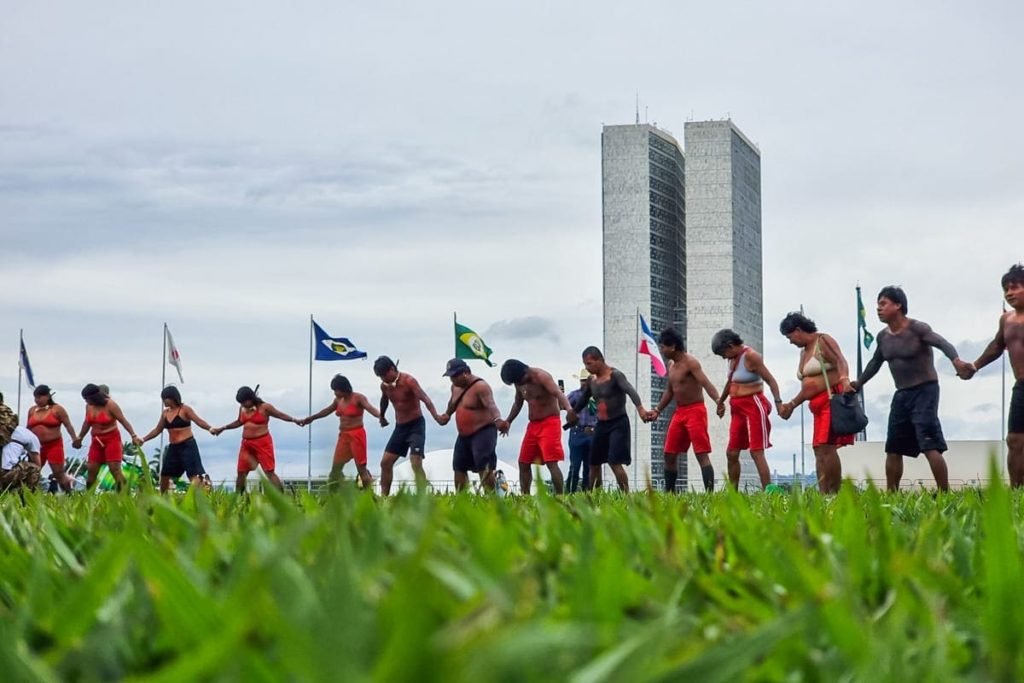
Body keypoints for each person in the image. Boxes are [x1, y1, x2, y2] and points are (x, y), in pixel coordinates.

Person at [853, 286, 972, 492]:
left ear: (898, 305)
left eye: (883, 304)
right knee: (893, 447)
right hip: (902, 394)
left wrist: (956, 361)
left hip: (925, 390)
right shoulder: (883, 337)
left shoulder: (918, 328)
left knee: (929, 443)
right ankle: (892, 494)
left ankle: (944, 493)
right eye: (878, 305)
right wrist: (858, 383)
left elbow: (942, 343)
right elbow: (875, 362)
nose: (878, 309)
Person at [776, 313, 853, 494]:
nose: (790, 342)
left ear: (798, 330)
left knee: (827, 447)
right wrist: (792, 405)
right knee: (818, 449)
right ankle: (823, 492)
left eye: (789, 337)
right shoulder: (804, 352)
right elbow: (808, 387)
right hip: (816, 406)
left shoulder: (823, 341)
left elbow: (841, 360)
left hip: (830, 400)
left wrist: (845, 379)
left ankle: (833, 493)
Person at [969, 264, 1024, 486]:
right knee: (1015, 439)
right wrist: (974, 366)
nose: (1009, 293)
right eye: (1005, 289)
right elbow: (996, 346)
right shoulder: (1006, 320)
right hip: (1021, 385)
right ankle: (1016, 490)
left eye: (1014, 287)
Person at [650, 328, 722, 493]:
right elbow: (670, 391)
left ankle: (710, 494)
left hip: (695, 411)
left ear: (673, 347)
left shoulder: (691, 363)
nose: (661, 350)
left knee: (701, 453)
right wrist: (657, 410)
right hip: (680, 412)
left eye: (663, 347)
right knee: (669, 453)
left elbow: (706, 383)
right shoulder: (671, 365)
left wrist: (718, 400)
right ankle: (670, 494)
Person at [570, 346, 652, 492]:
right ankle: (594, 496)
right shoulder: (592, 380)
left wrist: (640, 409)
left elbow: (630, 390)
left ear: (600, 360)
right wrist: (573, 412)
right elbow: (584, 399)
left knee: (614, 461)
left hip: (618, 422)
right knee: (594, 463)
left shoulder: (615, 375)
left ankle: (626, 496)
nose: (587, 368)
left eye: (589, 364)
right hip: (601, 424)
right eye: (585, 364)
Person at [711, 329, 784, 490]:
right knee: (731, 453)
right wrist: (721, 402)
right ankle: (733, 492)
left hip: (754, 405)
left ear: (730, 346)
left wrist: (778, 402)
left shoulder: (751, 356)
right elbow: (730, 382)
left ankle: (769, 491)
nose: (723, 357)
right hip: (737, 408)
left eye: (723, 354)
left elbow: (771, 380)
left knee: (756, 451)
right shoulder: (731, 360)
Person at [496, 359, 575, 495]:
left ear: (525, 372)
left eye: (519, 381)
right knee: (523, 462)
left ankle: (560, 495)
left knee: (551, 462)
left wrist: (569, 410)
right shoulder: (518, 383)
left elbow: (558, 393)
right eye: (515, 383)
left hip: (550, 423)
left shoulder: (541, 376)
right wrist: (508, 421)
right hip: (533, 425)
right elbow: (517, 403)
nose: (519, 385)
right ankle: (525, 496)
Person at [373, 355, 444, 495]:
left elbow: (425, 399)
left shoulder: (408, 381)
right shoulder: (384, 386)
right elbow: (384, 400)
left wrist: (436, 416)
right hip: (400, 427)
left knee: (415, 461)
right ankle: (384, 498)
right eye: (380, 377)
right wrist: (382, 416)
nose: (383, 379)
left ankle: (422, 497)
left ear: (392, 369)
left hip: (416, 425)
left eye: (384, 375)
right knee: (385, 463)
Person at [299, 375, 380, 491]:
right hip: (343, 436)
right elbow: (327, 411)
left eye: (336, 390)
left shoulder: (358, 398)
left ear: (343, 388)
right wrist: (312, 418)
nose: (335, 393)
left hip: (357, 435)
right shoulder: (338, 401)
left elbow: (370, 408)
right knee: (335, 470)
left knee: (361, 469)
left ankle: (370, 498)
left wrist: (380, 416)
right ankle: (334, 496)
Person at [211, 386, 297, 493]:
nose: (242, 404)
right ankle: (239, 498)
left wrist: (294, 420)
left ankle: (281, 497)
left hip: (263, 443)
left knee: (269, 471)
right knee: (241, 472)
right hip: (246, 444)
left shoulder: (265, 407)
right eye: (241, 403)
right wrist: (223, 428)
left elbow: (280, 415)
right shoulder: (242, 409)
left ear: (251, 398)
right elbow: (239, 422)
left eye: (244, 402)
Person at [438, 358, 500, 492]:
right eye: (450, 377)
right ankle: (462, 499)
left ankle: (492, 497)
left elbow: (491, 405)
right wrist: (447, 414)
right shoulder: (454, 387)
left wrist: (498, 419)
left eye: (455, 376)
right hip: (464, 434)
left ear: (465, 373)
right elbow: (452, 403)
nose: (452, 380)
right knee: (458, 466)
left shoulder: (481, 387)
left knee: (483, 464)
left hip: (483, 430)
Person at [139, 386, 213, 493]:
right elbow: (157, 430)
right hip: (174, 448)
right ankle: (163, 498)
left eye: (165, 398)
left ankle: (203, 494)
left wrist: (210, 428)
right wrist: (143, 439)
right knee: (165, 474)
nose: (163, 401)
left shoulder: (185, 409)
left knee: (193, 475)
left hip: (188, 446)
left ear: (172, 398)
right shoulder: (165, 413)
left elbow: (198, 421)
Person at [72, 383, 142, 491]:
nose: (86, 401)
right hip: (96, 441)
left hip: (112, 440)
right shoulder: (89, 406)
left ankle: (124, 494)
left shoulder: (111, 405)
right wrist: (79, 437)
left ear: (94, 397)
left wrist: (133, 435)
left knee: (115, 469)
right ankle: (89, 496)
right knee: (91, 469)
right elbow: (86, 423)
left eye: (87, 399)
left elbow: (123, 421)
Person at [25, 385, 76, 492]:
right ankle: (28, 497)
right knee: (33, 472)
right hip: (37, 447)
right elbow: (28, 429)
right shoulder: (32, 410)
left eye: (39, 397)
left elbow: (68, 425)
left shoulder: (57, 409)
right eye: (35, 397)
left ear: (47, 396)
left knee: (58, 473)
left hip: (54, 445)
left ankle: (69, 494)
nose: (37, 400)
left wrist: (75, 439)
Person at [566, 369, 597, 492]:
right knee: (575, 466)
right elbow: (563, 406)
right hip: (577, 432)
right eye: (582, 381)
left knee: (588, 467)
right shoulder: (574, 395)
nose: (584, 383)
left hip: (592, 433)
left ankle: (586, 493)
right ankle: (570, 491)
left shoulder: (597, 396)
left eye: (586, 381)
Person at [1, 422, 42, 492]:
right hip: (7, 473)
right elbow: (37, 463)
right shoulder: (31, 436)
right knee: (34, 469)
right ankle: (25, 495)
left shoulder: (4, 431)